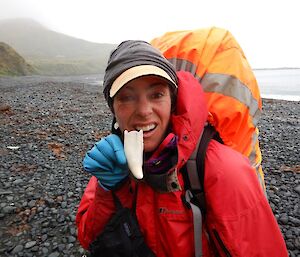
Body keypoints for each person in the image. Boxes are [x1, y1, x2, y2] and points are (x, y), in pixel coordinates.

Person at [76, 40, 288, 257]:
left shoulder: (224, 171)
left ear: (173, 100)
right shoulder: (114, 163)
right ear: (114, 109)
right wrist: (107, 189)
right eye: (127, 98)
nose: (143, 110)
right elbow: (88, 238)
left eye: (156, 94)